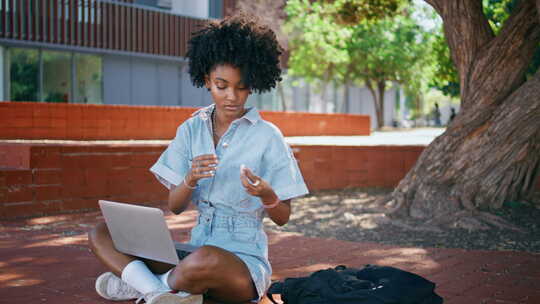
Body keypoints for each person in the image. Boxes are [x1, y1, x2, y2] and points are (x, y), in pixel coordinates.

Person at [87, 13, 309, 304]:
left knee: (207, 259)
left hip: (241, 267)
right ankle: (161, 292)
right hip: (193, 254)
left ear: (253, 83)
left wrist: (267, 194)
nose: (232, 96)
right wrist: (190, 178)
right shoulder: (191, 129)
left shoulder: (268, 136)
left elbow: (283, 218)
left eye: (241, 86)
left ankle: (144, 286)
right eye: (221, 85)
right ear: (206, 80)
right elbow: (175, 206)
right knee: (103, 232)